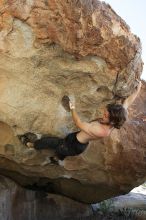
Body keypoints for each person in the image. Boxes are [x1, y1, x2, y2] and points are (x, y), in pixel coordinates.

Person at [19, 80, 142, 163]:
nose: (103, 114)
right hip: (78, 140)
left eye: (105, 115)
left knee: (52, 142)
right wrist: (138, 88)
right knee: (62, 149)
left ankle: (33, 145)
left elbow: (78, 123)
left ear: (113, 120)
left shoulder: (100, 131)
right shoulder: (118, 118)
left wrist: (72, 109)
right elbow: (126, 103)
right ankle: (57, 159)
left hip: (74, 145)